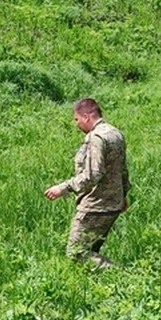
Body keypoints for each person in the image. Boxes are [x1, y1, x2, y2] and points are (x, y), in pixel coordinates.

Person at [44, 98, 130, 269]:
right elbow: (122, 170)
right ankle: (102, 286)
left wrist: (63, 188)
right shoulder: (115, 133)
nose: (76, 124)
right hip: (113, 204)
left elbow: (92, 175)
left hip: (96, 206)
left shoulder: (96, 138)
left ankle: (121, 275)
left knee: (76, 253)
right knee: (91, 250)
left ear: (86, 116)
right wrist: (123, 195)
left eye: (77, 119)